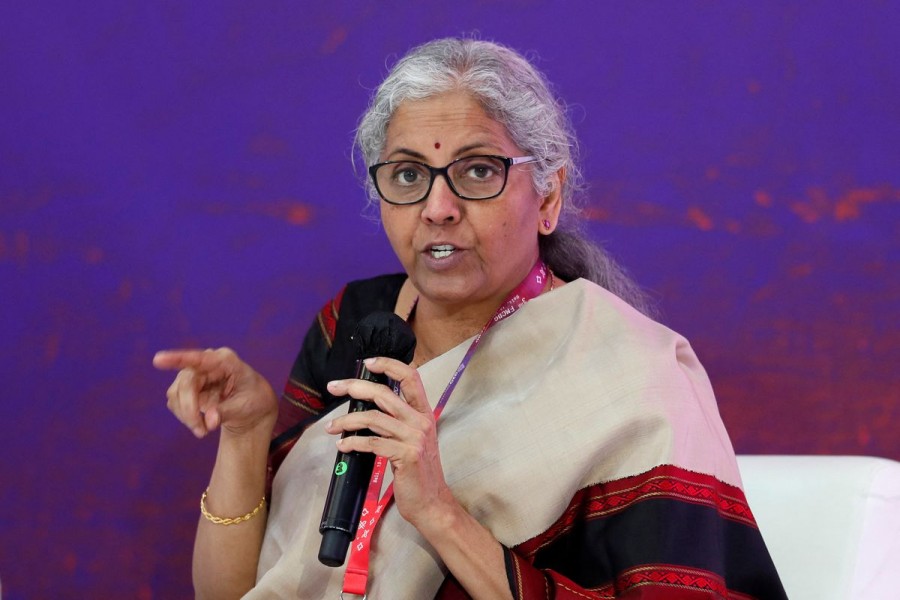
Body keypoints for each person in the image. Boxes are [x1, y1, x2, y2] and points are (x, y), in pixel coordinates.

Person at [154, 38, 787, 599]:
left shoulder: (633, 374)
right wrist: (246, 434)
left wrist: (439, 511)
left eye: (477, 171)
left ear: (548, 195)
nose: (438, 207)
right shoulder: (353, 324)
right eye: (407, 175)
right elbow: (229, 591)